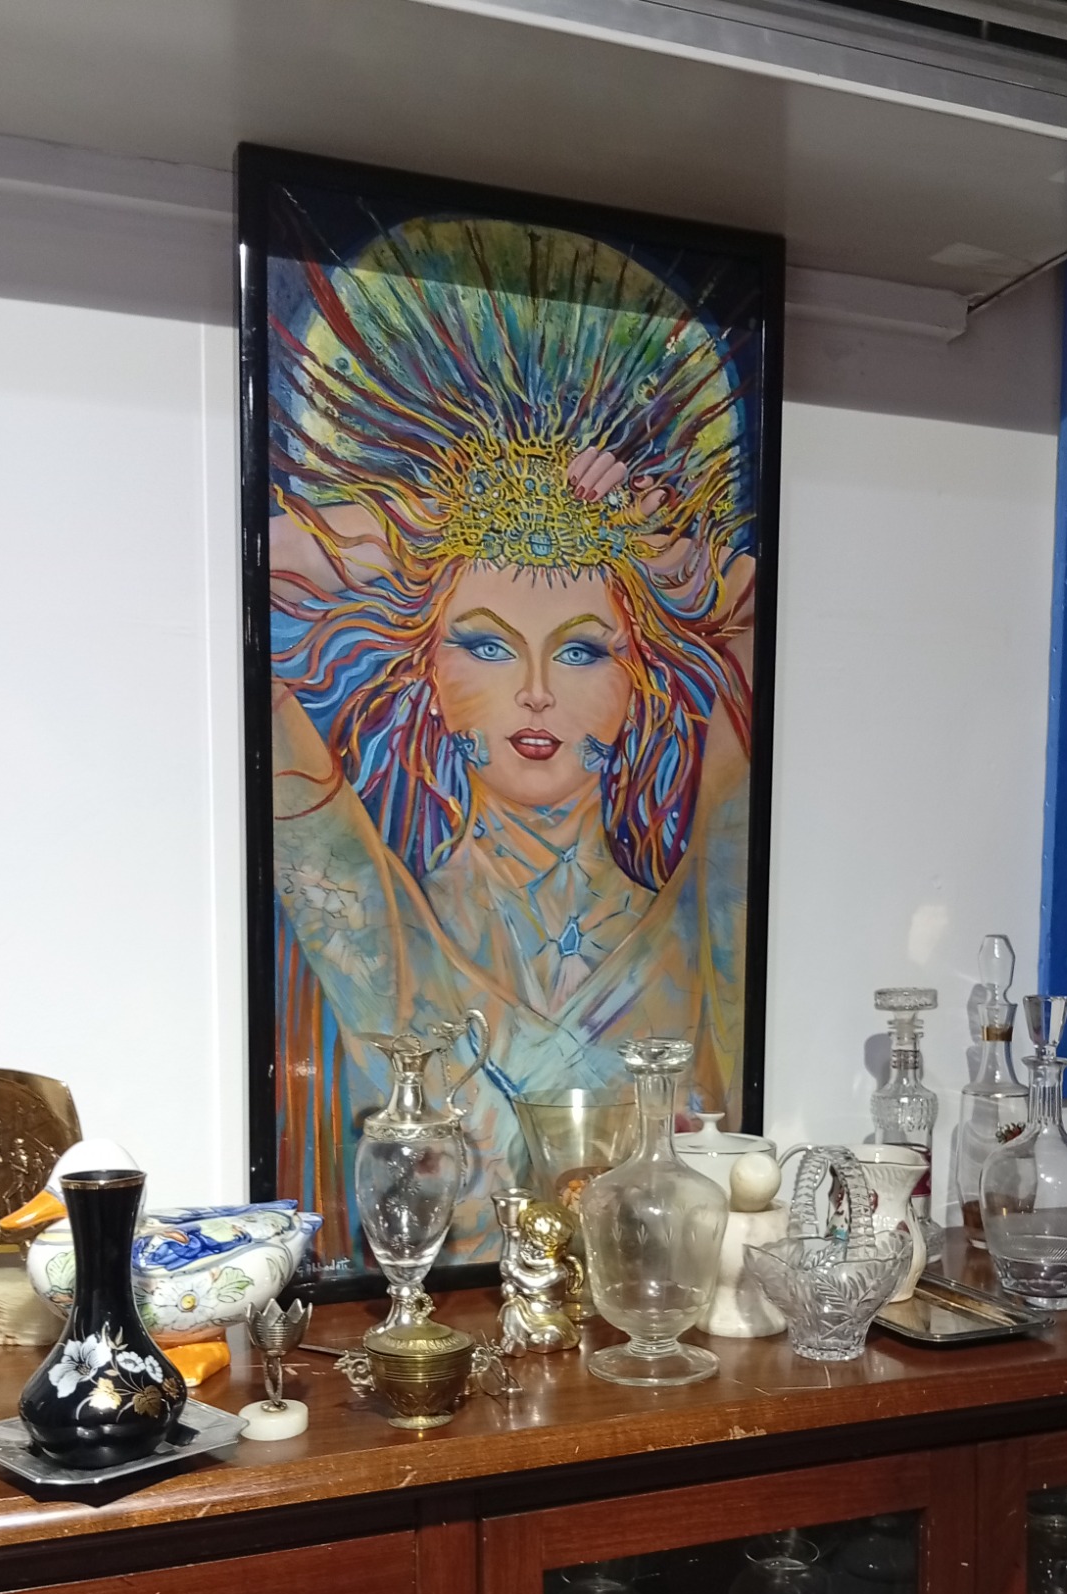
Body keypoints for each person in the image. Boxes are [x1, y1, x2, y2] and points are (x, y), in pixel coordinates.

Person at [265, 213, 759, 1264]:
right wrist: (438, 521)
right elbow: (258, 567)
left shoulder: (708, 914)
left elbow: (759, 613)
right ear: (427, 671)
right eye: (485, 645)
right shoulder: (377, 921)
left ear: (638, 680)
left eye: (582, 651)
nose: (535, 693)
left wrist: (649, 542)